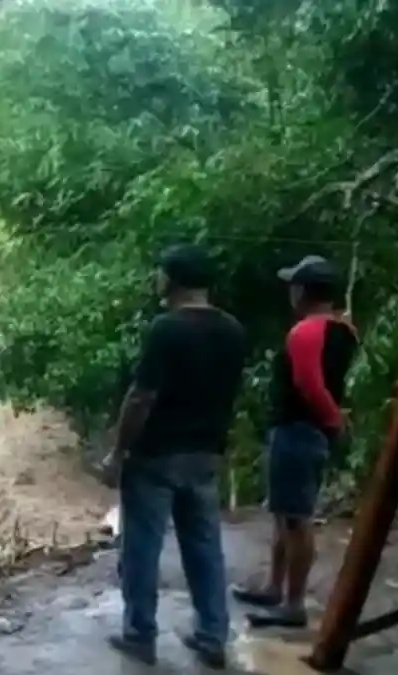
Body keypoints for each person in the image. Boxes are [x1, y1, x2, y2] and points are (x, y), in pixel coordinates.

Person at [101, 244, 248, 669]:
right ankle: (212, 635)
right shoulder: (233, 330)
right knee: (205, 547)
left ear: (172, 279)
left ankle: (140, 635)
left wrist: (118, 451)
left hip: (157, 455)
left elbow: (141, 396)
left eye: (160, 273)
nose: (156, 280)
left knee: (142, 548)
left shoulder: (166, 329)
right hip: (206, 453)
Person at [232, 255, 358, 628]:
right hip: (310, 431)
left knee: (296, 519)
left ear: (303, 291)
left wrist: (332, 419)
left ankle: (293, 603)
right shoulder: (344, 330)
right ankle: (275, 587)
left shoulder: (304, 332)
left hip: (297, 430)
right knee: (284, 514)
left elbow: (308, 382)